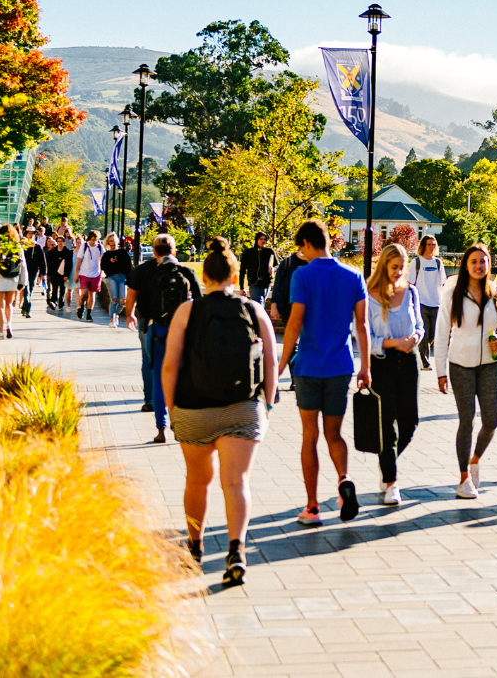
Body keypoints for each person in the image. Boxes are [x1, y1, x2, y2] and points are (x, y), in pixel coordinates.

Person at [161, 237, 277, 586]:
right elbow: (271, 360)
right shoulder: (253, 309)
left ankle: (194, 548)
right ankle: (236, 551)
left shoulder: (188, 310)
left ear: (205, 276)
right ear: (234, 274)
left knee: (198, 479)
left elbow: (170, 365)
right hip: (242, 407)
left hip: (193, 408)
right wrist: (267, 404)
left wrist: (171, 409)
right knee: (236, 481)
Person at [274, 220, 370, 527]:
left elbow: (294, 323)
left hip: (309, 366)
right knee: (334, 434)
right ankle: (344, 479)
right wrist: (365, 366)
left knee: (309, 435)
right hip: (341, 365)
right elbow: (362, 326)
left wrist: (279, 365)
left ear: (305, 244)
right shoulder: (354, 275)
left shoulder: (302, 275)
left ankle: (313, 507)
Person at [434, 242, 497, 499]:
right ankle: (463, 479)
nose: (479, 266)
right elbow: (441, 334)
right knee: (466, 420)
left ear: (489, 265)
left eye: (483, 261)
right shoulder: (452, 295)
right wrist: (440, 371)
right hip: (460, 366)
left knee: (491, 421)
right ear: (466, 266)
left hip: (490, 365)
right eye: (474, 262)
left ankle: (475, 459)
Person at [127, 233, 202, 443]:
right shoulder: (186, 272)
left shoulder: (149, 272)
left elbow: (142, 303)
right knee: (182, 378)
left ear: (155, 252)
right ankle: (180, 424)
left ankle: (161, 428)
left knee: (160, 379)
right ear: (174, 251)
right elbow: (199, 302)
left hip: (157, 331)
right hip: (183, 331)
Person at [364, 242, 422, 507]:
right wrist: (392, 343)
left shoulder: (411, 292)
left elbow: (420, 325)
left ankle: (388, 463)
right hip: (382, 363)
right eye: (393, 267)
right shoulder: (369, 295)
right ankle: (391, 482)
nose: (398, 272)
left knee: (410, 421)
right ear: (384, 266)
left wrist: (414, 338)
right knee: (387, 424)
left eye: (402, 267)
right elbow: (363, 337)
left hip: (409, 361)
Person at [410, 234, 445, 370]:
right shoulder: (416, 262)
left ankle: (420, 354)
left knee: (433, 334)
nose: (431, 247)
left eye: (433, 244)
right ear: (423, 246)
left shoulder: (438, 263)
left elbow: (443, 283)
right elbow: (410, 283)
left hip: (436, 303)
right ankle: (425, 361)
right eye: (429, 244)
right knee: (424, 333)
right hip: (421, 302)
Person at [0, 224, 28, 340]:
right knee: (9, 304)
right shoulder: (17, 247)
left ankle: (1, 332)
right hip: (13, 278)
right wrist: (23, 281)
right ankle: (9, 324)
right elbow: (23, 265)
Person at [265, 243, 307, 325]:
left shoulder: (313, 263)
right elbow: (277, 284)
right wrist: (274, 307)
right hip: (288, 306)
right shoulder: (287, 262)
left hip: (308, 307)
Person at [101, 233, 133, 327]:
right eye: (111, 241)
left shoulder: (122, 252)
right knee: (114, 299)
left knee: (122, 301)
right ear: (108, 242)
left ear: (117, 242)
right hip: (111, 277)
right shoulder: (107, 255)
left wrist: (129, 277)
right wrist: (110, 268)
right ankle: (112, 320)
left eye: (114, 241)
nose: (113, 243)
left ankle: (116, 314)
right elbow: (103, 266)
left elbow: (128, 266)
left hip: (123, 277)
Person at [75, 230, 105, 320]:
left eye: (95, 240)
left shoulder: (100, 247)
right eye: (92, 240)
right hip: (84, 273)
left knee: (92, 294)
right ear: (89, 238)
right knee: (84, 293)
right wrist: (76, 273)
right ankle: (82, 307)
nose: (93, 242)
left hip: (95, 274)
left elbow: (103, 261)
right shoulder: (84, 246)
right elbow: (79, 261)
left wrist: (101, 273)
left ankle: (89, 313)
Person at [240, 232, 277, 305]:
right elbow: (242, 270)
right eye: (261, 239)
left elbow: (277, 265)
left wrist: (273, 269)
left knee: (259, 306)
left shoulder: (270, 252)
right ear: (257, 240)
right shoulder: (249, 252)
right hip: (254, 284)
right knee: (260, 304)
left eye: (264, 239)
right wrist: (242, 287)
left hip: (266, 285)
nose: (263, 241)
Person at [22, 232, 46, 319]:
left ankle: (25, 307)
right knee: (26, 290)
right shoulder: (23, 246)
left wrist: (43, 273)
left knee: (30, 290)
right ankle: (28, 310)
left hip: (33, 272)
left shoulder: (38, 247)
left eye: (32, 234)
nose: (30, 235)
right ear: (26, 235)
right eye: (29, 233)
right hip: (24, 272)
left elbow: (42, 261)